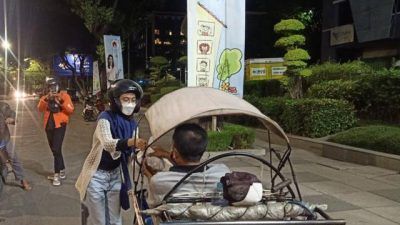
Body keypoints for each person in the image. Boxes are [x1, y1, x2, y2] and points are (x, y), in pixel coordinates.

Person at [75, 79, 147, 225]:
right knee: (100, 221)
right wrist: (131, 142)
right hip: (96, 176)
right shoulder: (105, 118)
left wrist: (145, 155)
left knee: (115, 220)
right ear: (116, 101)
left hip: (115, 176)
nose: (130, 103)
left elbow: (132, 153)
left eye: (133, 100)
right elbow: (108, 144)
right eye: (125, 99)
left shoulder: (133, 124)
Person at [144, 123, 230, 208]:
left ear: (175, 153)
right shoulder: (222, 172)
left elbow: (152, 203)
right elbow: (189, 168)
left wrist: (148, 174)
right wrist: (168, 155)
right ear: (203, 149)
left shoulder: (160, 180)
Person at [37, 78, 74, 186]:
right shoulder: (46, 97)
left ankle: (56, 175)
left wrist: (60, 101)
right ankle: (62, 170)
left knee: (56, 149)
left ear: (58, 86)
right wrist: (47, 99)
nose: (52, 89)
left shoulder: (64, 96)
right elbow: (40, 108)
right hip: (48, 126)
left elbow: (70, 110)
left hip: (60, 126)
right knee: (55, 150)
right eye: (50, 87)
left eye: (54, 86)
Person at [0, 102, 31, 190]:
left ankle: (22, 179)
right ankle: (4, 168)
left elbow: (12, 113)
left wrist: (11, 119)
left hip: (4, 140)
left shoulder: (2, 106)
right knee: (2, 164)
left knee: (14, 159)